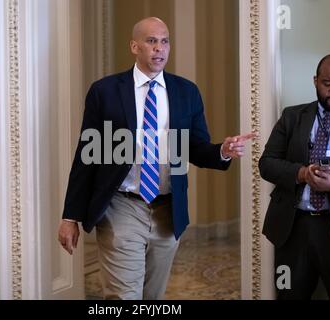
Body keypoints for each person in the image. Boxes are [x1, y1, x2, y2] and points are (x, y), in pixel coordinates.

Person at [58, 17, 254, 300]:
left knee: (152, 297)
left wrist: (221, 151)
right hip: (121, 206)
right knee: (124, 297)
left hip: (167, 209)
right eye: (151, 41)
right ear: (134, 46)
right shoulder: (105, 92)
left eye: (165, 41)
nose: (159, 49)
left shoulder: (186, 92)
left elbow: (194, 147)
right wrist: (70, 216)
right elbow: (86, 157)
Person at [260, 53, 330, 299]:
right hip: (293, 229)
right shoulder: (292, 116)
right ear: (315, 81)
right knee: (288, 294)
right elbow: (267, 164)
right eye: (327, 83)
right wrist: (302, 173)